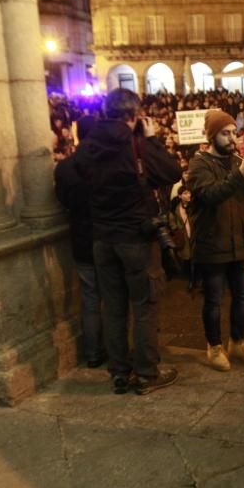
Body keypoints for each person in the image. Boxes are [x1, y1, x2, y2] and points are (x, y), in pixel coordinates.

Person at [73, 89, 182, 395]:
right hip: (135, 237)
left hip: (102, 238)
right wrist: (150, 139)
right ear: (133, 114)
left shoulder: (88, 145)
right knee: (144, 305)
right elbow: (172, 172)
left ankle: (119, 371)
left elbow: (77, 177)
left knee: (113, 307)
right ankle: (147, 372)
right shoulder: (136, 144)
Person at [186, 109, 244, 371]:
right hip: (212, 245)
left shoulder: (235, 160)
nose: (231, 138)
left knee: (243, 296)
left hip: (239, 243)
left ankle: (237, 342)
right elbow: (211, 194)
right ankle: (214, 346)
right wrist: (240, 174)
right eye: (225, 133)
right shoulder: (199, 163)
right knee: (213, 300)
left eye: (234, 132)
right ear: (212, 136)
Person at [55, 119, 104, 368]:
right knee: (115, 298)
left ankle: (93, 353)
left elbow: (63, 200)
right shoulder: (106, 163)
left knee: (90, 298)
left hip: (82, 239)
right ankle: (117, 351)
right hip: (106, 238)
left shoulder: (64, 168)